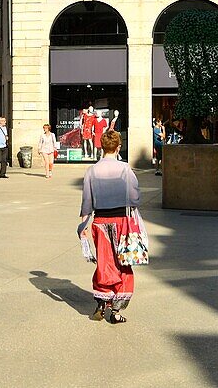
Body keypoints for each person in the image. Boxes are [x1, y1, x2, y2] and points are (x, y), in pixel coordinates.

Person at [78, 130, 140, 324]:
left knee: (104, 262)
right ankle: (116, 310)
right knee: (123, 263)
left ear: (101, 147)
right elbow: (135, 197)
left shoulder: (92, 170)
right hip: (122, 221)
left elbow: (86, 201)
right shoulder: (124, 169)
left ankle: (101, 302)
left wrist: (83, 225)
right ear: (118, 147)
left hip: (100, 221)